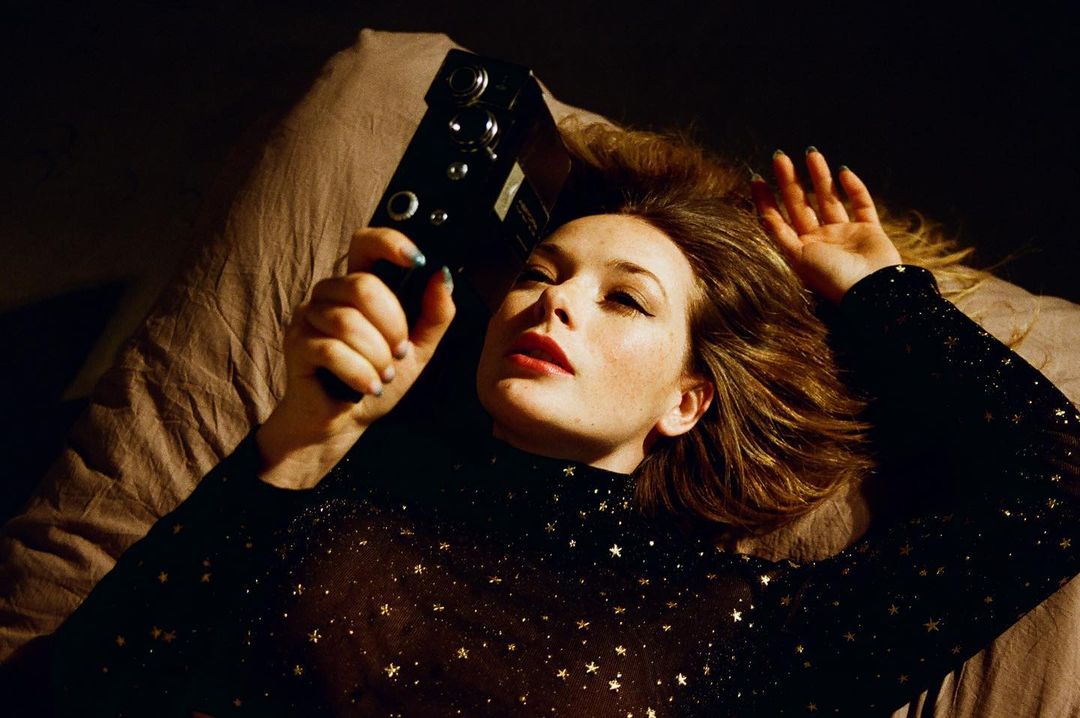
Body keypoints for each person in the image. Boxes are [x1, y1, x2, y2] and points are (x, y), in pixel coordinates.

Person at [43, 121, 1079, 717]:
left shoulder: (749, 628)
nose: (555, 303)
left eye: (624, 299)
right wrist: (296, 443)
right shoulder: (338, 475)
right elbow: (76, 692)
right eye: (541, 274)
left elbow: (1056, 485)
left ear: (688, 400)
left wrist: (880, 294)